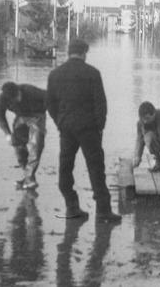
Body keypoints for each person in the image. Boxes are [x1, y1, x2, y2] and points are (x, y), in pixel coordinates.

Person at [46, 39, 121, 222]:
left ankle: (72, 207)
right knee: (96, 169)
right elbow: (101, 104)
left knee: (65, 167)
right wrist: (100, 127)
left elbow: (50, 104)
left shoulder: (55, 74)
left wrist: (60, 122)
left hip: (66, 129)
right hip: (89, 129)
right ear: (83, 53)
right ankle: (103, 211)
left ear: (69, 52)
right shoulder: (93, 73)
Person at [0, 81, 47, 190]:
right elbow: (0, 116)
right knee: (17, 145)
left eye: (19, 96)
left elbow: (50, 98)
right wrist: (7, 134)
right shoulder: (2, 99)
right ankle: (28, 177)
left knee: (36, 145)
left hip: (37, 115)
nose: (18, 99)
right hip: (21, 116)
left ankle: (29, 178)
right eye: (15, 99)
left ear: (19, 90)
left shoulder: (30, 90)